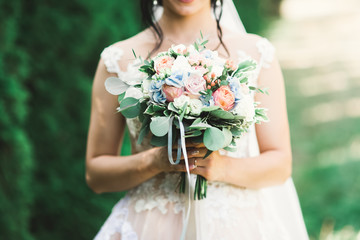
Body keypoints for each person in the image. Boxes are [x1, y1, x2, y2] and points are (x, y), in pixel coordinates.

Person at [86, 0, 309, 239]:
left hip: (238, 226)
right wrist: (155, 161)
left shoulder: (256, 53)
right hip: (150, 226)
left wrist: (222, 168)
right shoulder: (117, 60)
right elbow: (96, 175)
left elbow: (280, 164)